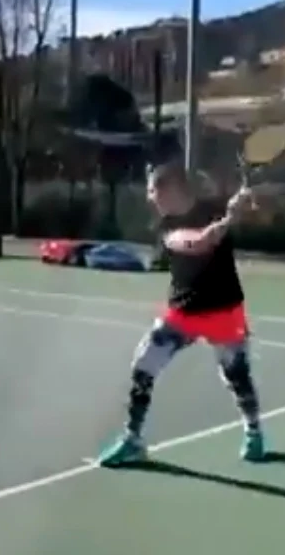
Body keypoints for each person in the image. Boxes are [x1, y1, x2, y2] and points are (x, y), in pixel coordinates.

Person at [98, 163, 266, 467]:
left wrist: (245, 206)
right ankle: (133, 439)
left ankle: (254, 431)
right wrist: (228, 219)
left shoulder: (215, 207)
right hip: (182, 313)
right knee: (143, 365)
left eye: (153, 189)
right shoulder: (166, 226)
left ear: (172, 188)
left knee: (236, 377)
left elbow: (251, 215)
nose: (149, 197)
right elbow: (199, 242)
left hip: (224, 311)